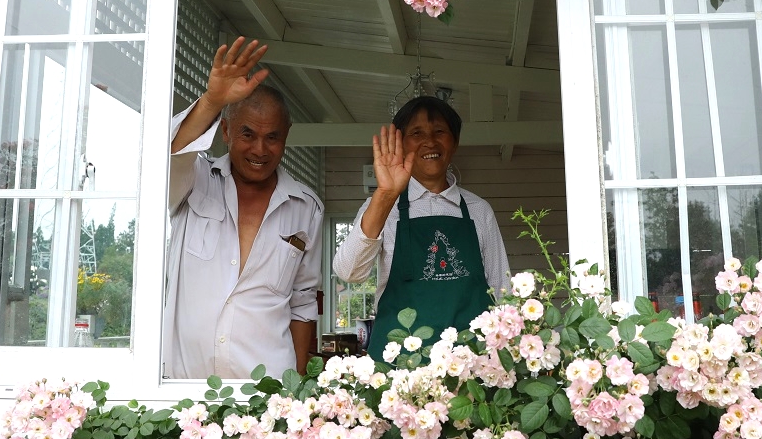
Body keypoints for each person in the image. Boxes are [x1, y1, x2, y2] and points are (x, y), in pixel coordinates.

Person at [165, 37, 322, 379]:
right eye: (248, 134)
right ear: (226, 130)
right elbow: (172, 153)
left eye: (273, 137)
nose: (260, 149)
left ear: (287, 136)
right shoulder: (194, 181)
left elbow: (303, 301)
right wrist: (212, 101)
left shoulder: (306, 207)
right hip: (186, 390)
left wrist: (293, 387)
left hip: (267, 392)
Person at [333, 95, 510, 361]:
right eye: (417, 133)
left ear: (455, 142)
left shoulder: (478, 210)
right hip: (398, 368)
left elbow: (501, 291)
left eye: (440, 131)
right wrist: (385, 195)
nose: (430, 141)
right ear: (401, 145)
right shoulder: (382, 205)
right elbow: (348, 272)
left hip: (469, 365)